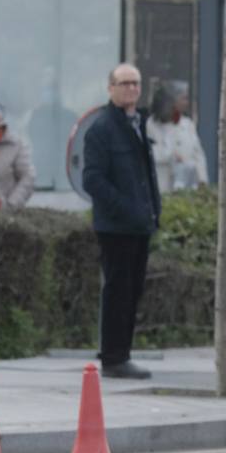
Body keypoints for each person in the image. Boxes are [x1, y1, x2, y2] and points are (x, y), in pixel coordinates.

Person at [82, 63, 161, 380]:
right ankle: (114, 357)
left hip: (140, 224)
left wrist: (153, 210)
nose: (131, 89)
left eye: (136, 84)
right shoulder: (102, 128)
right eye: (124, 83)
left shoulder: (138, 124)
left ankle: (121, 353)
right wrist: (126, 208)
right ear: (111, 88)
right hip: (116, 226)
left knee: (133, 291)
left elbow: (144, 175)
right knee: (118, 291)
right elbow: (93, 180)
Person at [146, 82, 207, 193]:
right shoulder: (150, 125)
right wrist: (171, 155)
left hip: (187, 186)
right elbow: (148, 153)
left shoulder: (187, 124)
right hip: (162, 186)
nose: (186, 103)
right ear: (171, 101)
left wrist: (202, 179)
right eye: (183, 98)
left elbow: (198, 154)